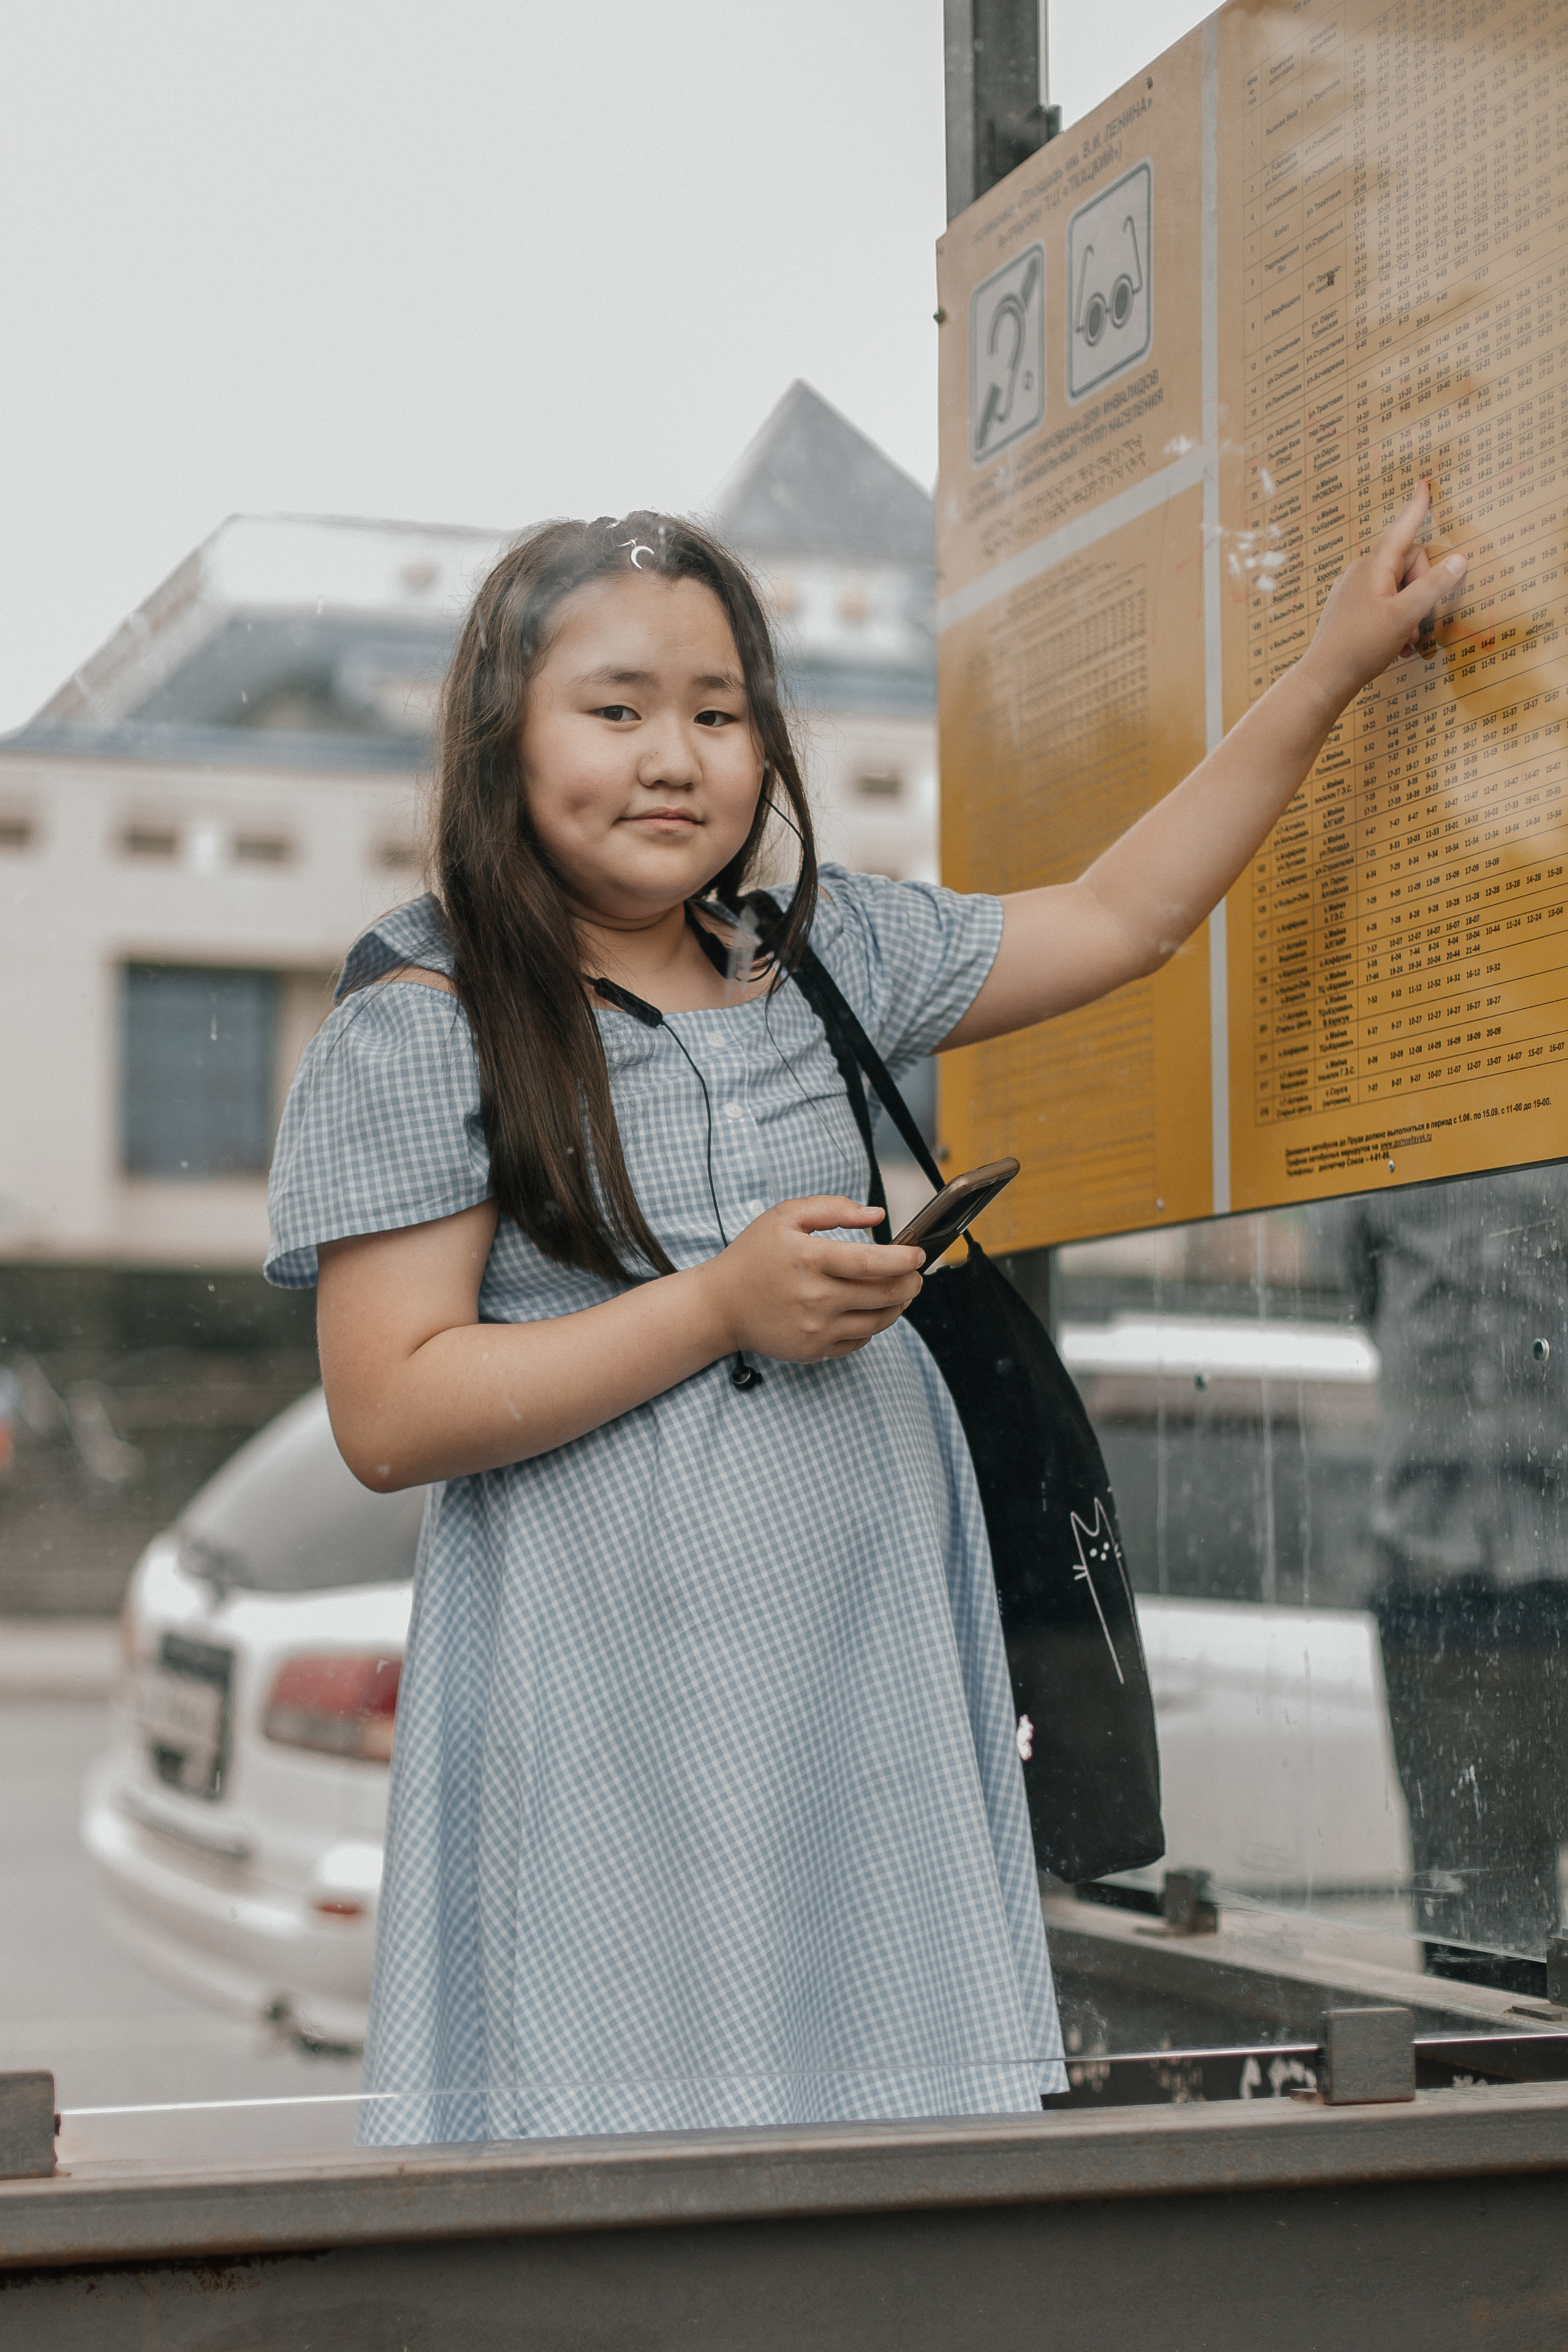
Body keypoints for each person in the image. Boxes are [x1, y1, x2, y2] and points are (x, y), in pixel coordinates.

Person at [265, 489, 1463, 2144]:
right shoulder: (428, 1020)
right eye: (613, 712)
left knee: (878, 2152)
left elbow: (1125, 918)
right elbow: (390, 1415)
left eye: (716, 713)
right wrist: (724, 1306)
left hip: (863, 1654)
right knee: (645, 2159)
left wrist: (1334, 666)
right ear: (502, 743)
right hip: (612, 1679)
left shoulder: (827, 955)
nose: (672, 758)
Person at [1345, 1170, 1568, 1958]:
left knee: (1509, 1898)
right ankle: (1474, 2070)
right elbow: (1363, 1285)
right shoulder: (1391, 1138)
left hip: (1543, 1555)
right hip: (1429, 1561)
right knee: (1464, 1902)